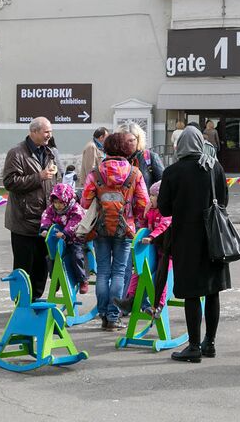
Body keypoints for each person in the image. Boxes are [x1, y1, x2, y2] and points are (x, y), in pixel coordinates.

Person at [157, 126, 230, 363]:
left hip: (185, 238)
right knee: (212, 291)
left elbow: (165, 208)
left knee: (191, 293)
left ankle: (194, 346)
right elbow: (224, 201)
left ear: (180, 146)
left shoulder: (172, 172)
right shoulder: (214, 167)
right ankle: (210, 343)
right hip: (214, 237)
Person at [80, 132, 148, 331]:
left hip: (100, 228)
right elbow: (143, 203)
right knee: (119, 271)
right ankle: (113, 316)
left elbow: (84, 201)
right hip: (125, 228)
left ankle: (103, 314)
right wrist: (132, 215)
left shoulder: (96, 173)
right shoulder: (134, 173)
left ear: (106, 148)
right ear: (126, 150)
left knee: (102, 272)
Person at [3, 117, 61, 299]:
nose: (49, 135)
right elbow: (9, 182)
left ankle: (35, 298)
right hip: (24, 220)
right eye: (46, 132)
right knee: (24, 265)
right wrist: (39, 177)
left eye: (50, 132)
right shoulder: (17, 153)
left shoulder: (50, 152)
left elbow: (56, 179)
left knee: (41, 264)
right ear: (33, 132)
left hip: (45, 220)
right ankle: (21, 301)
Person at [116, 122, 164, 299]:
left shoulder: (149, 157)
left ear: (139, 140)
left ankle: (145, 299)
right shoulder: (116, 160)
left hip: (146, 218)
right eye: (123, 140)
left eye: (132, 140)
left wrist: (155, 202)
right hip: (122, 218)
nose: (127, 144)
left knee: (145, 260)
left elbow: (164, 185)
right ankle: (127, 298)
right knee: (125, 262)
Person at [113, 180, 172, 318]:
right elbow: (144, 225)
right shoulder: (151, 210)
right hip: (152, 249)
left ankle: (159, 306)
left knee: (160, 277)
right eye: (150, 195)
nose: (150, 198)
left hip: (165, 251)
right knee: (138, 272)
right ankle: (131, 299)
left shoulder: (167, 212)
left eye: (153, 196)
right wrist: (143, 215)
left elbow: (163, 226)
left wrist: (151, 237)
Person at [39, 183, 89, 294]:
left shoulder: (75, 208)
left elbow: (76, 221)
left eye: (60, 203)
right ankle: (55, 279)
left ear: (67, 200)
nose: (57, 206)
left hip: (74, 238)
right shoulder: (52, 209)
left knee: (76, 255)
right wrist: (45, 229)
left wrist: (65, 233)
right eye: (55, 202)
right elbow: (46, 216)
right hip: (59, 238)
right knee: (51, 257)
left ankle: (82, 280)